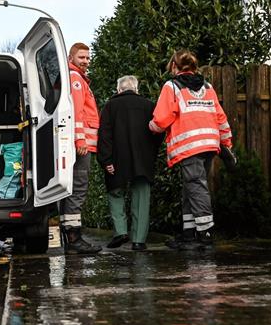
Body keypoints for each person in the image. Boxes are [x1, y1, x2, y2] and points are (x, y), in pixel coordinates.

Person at [149, 50, 234, 250]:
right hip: (209, 144)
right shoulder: (208, 87)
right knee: (191, 186)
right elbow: (220, 117)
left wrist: (151, 127)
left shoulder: (172, 86)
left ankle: (205, 233)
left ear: (173, 66)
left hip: (189, 145)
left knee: (195, 185)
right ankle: (189, 233)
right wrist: (227, 143)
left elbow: (161, 120)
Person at [97, 75, 162, 251]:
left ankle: (120, 232)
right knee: (141, 196)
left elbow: (104, 135)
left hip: (117, 158)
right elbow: (159, 131)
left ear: (119, 90)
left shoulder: (110, 106)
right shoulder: (149, 105)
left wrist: (106, 160)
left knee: (115, 192)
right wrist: (151, 154)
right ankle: (139, 240)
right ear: (136, 89)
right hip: (143, 159)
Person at [59, 42, 101, 254]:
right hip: (82, 146)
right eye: (81, 57)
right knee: (78, 188)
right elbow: (76, 113)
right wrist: (80, 141)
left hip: (82, 144)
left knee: (74, 189)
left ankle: (71, 235)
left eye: (87, 58)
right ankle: (74, 238)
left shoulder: (78, 78)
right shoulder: (76, 79)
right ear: (71, 57)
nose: (85, 61)